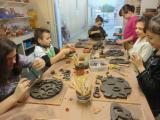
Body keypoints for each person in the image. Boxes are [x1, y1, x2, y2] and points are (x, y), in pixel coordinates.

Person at [0, 38, 45, 115]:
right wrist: (14, 97)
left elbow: (32, 61)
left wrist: (40, 61)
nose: (14, 61)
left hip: (19, 102)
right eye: (9, 59)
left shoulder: (17, 58)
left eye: (14, 56)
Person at [131, 13, 160, 117]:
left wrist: (140, 66)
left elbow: (153, 89)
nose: (147, 40)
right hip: (144, 96)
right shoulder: (156, 51)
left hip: (151, 106)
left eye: (150, 38)